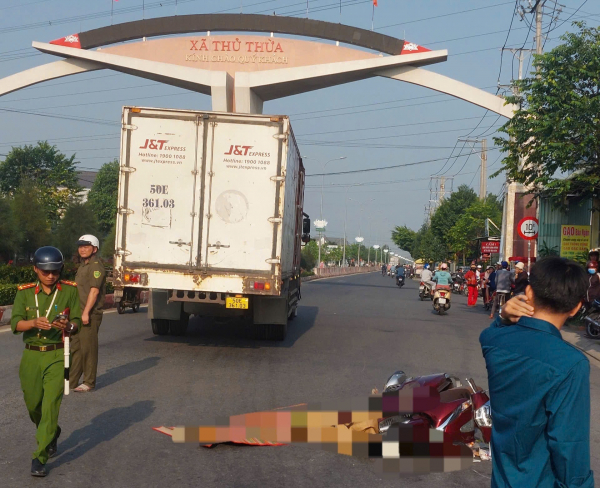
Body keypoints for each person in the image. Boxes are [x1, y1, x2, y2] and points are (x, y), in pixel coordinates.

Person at [479, 256, 593, 488]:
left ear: (529, 292)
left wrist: (503, 318)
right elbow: (569, 444)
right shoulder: (571, 363)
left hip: (502, 479)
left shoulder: (494, 341)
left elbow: (490, 333)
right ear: (576, 308)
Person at [11, 247, 81, 477]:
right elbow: (15, 324)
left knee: (51, 405)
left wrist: (68, 326)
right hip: (31, 355)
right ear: (36, 269)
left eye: (55, 271)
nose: (51, 276)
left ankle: (39, 457)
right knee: (34, 405)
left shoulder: (69, 291)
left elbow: (77, 322)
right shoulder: (24, 293)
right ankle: (53, 432)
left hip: (56, 354)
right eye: (45, 272)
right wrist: (33, 323)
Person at [69, 235, 106, 393]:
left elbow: (94, 291)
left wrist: (86, 313)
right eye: (80, 246)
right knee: (76, 348)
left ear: (94, 249)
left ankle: (89, 381)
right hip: (78, 313)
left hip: (89, 314)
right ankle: (71, 381)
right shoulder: (83, 266)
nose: (82, 249)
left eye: (86, 246)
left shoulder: (96, 267)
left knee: (88, 349)